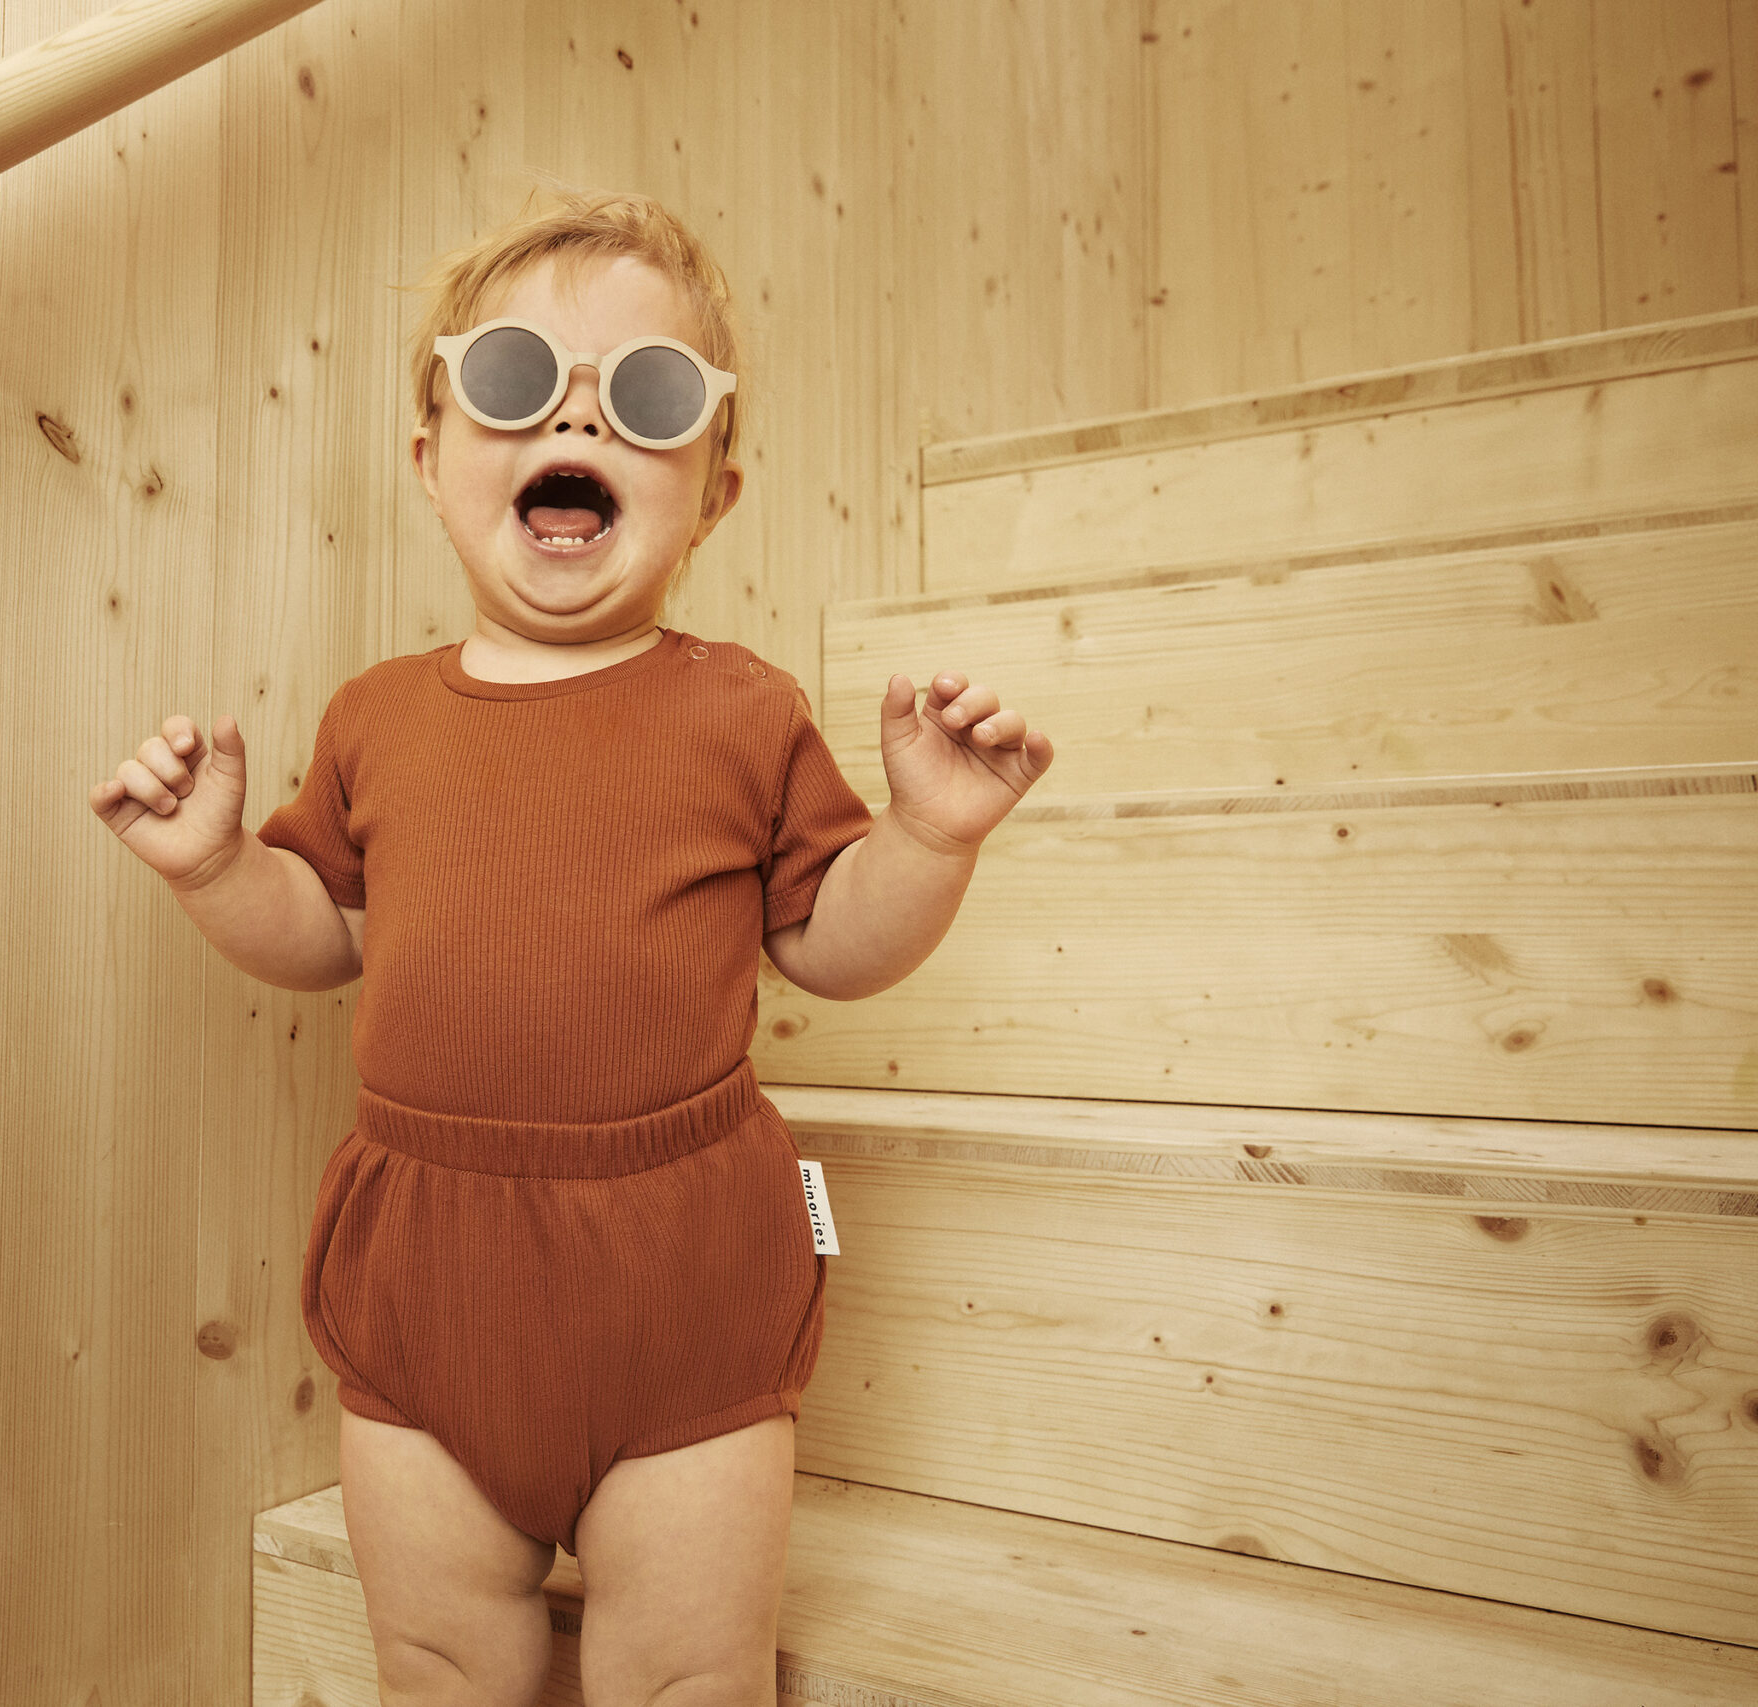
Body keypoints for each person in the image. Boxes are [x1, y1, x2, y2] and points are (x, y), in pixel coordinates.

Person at [90, 188, 1053, 1707]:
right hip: (427, 1277)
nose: (582, 423)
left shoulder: (745, 709)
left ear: (714, 494)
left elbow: (828, 945)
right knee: (435, 1666)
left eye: (652, 399)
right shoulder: (375, 718)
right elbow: (324, 932)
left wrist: (928, 841)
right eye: (515, 382)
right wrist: (214, 868)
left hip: (693, 1282)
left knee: (691, 1677)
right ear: (432, 459)